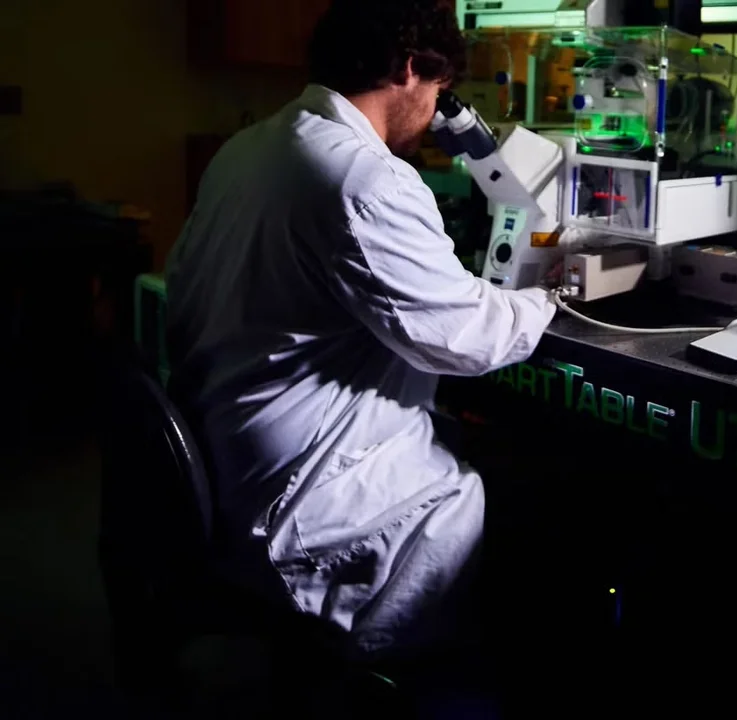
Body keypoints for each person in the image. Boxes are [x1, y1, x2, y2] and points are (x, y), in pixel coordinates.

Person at [165, 0, 557, 661]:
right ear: (408, 68)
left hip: (221, 472)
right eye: (437, 93)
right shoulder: (364, 177)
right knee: (529, 501)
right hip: (304, 507)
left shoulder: (249, 147)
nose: (435, 116)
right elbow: (468, 336)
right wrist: (551, 296)